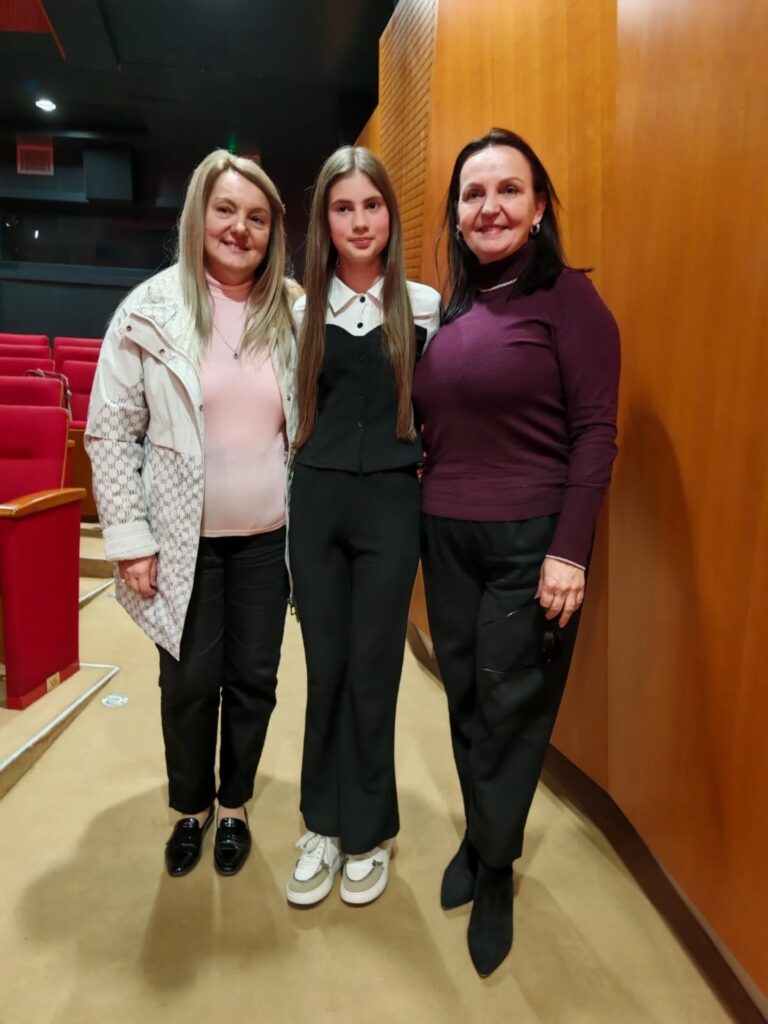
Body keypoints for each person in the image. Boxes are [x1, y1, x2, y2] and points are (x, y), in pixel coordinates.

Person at [413, 128, 620, 975]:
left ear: (538, 208)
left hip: (530, 546)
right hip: (445, 537)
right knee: (465, 700)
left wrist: (570, 551)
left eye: (508, 190)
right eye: (473, 194)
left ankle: (495, 868)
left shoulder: (571, 301)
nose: (489, 206)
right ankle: (481, 837)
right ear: (457, 215)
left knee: (511, 710)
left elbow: (596, 433)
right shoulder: (454, 311)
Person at [85, 150, 296, 878]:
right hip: (182, 543)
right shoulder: (148, 311)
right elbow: (111, 431)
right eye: (226, 209)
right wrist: (130, 540)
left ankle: (234, 804)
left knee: (255, 680)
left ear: (273, 232)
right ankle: (191, 807)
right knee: (188, 683)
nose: (240, 228)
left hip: (269, 542)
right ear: (198, 215)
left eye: (257, 217)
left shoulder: (294, 312)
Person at [285, 146, 440, 907]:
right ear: (325, 220)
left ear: (389, 214)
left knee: (375, 671)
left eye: (370, 205)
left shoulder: (424, 305)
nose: (358, 221)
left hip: (390, 505)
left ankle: (367, 831)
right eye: (342, 207)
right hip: (316, 503)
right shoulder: (297, 310)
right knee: (326, 669)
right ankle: (321, 821)